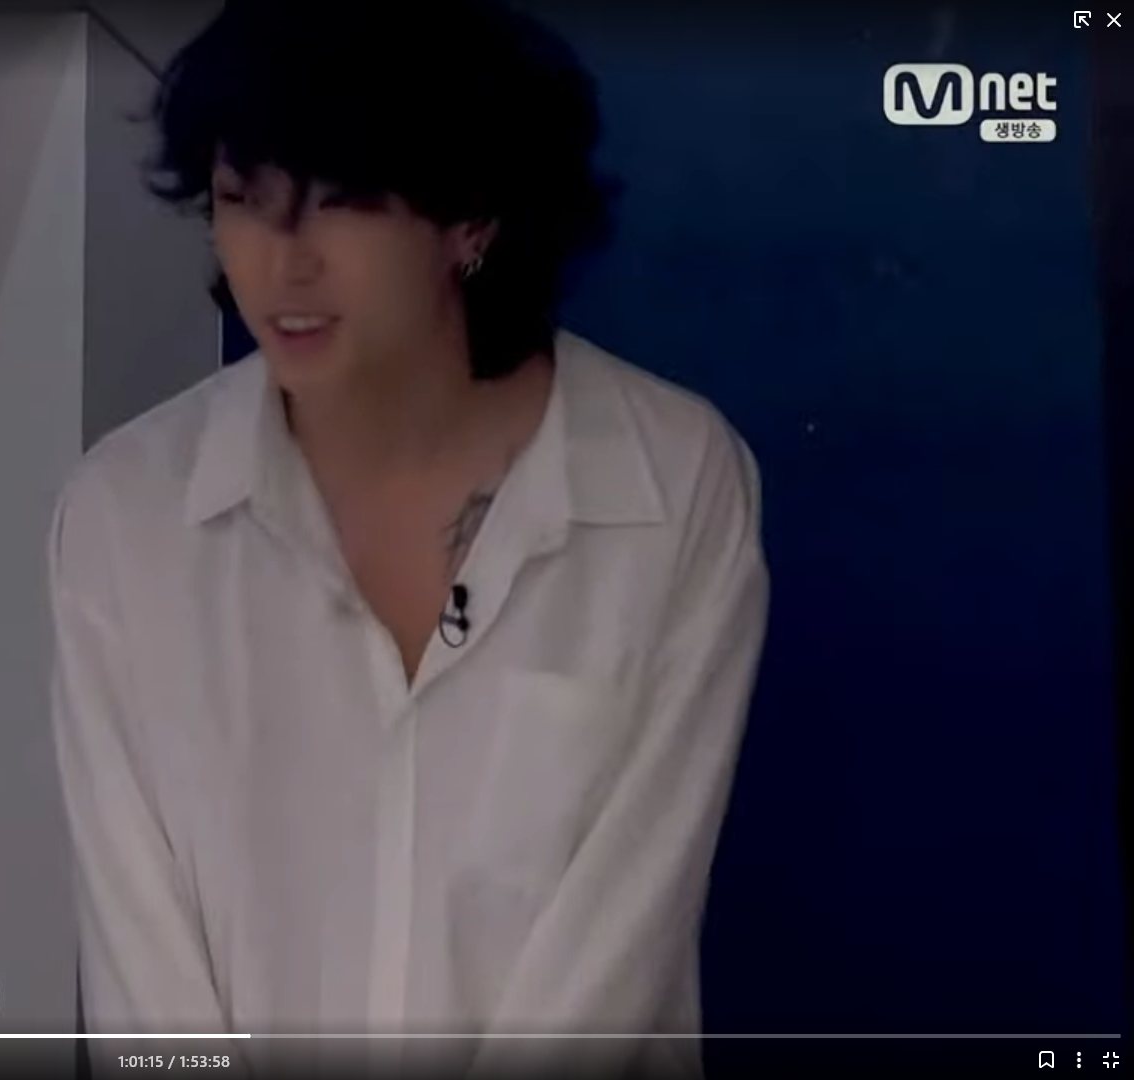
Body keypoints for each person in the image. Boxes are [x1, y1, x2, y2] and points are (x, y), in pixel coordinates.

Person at [48, 1, 769, 1075]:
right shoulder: (127, 513)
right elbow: (145, 985)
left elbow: (611, 949)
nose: (283, 264)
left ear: (471, 219)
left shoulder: (671, 477)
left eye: (344, 204)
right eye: (243, 201)